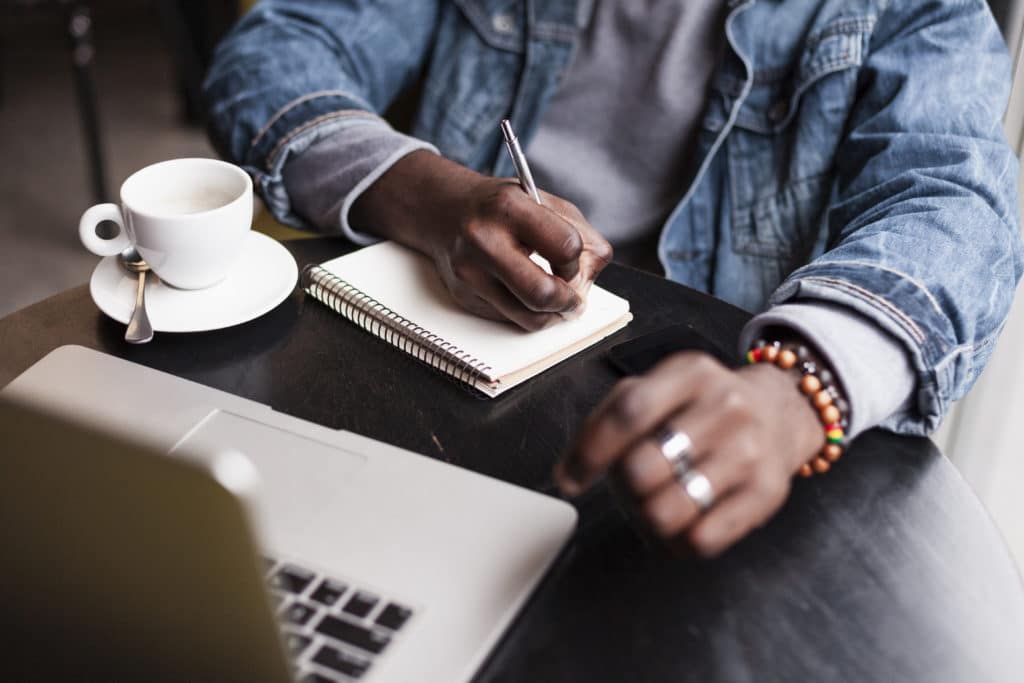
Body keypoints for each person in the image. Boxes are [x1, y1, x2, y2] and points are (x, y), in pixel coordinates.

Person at [203, 0, 1023, 557]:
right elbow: (278, 50)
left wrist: (798, 389)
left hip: (710, 406)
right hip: (438, 364)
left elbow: (958, 201)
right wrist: (436, 199)